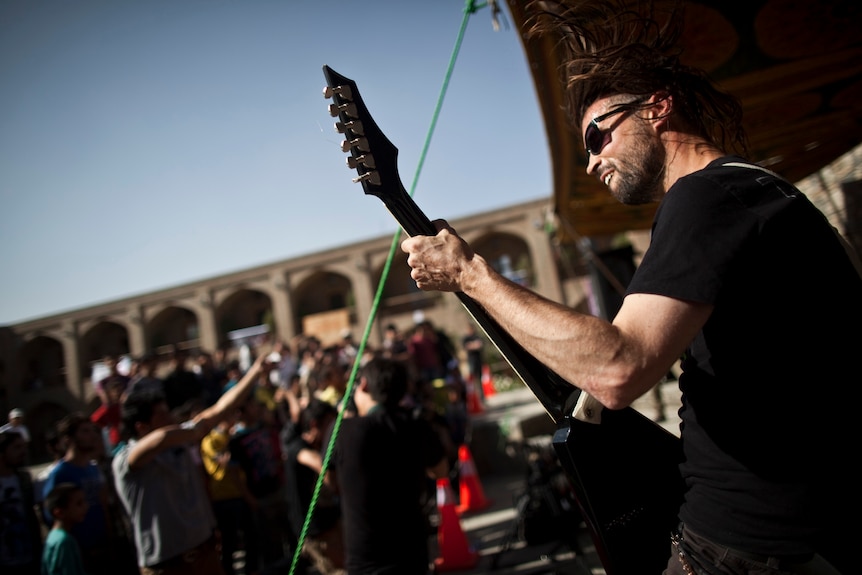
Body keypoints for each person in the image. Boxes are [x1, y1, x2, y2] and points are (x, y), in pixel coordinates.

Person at [399, 1, 861, 573]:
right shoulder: (765, 192)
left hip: (738, 546)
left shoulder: (702, 197)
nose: (592, 162)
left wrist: (470, 273)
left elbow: (620, 369)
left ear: (658, 107)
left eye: (598, 136)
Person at [111, 351, 267, 575]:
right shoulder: (126, 460)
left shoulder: (180, 440)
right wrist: (194, 430)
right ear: (141, 426)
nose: (171, 419)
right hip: (168, 567)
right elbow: (162, 438)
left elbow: (221, 409)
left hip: (204, 554)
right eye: (162, 415)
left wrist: (254, 373)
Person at [333, 357, 447, 575]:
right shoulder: (416, 425)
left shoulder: (343, 431)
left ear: (364, 384)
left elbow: (329, 480)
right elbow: (440, 471)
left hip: (366, 558)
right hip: (411, 551)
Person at [40, 413, 121, 575]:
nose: (92, 435)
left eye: (92, 431)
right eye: (84, 431)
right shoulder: (60, 473)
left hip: (102, 548)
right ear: (69, 439)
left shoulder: (93, 469)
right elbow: (51, 516)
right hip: (78, 552)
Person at [283, 398, 344, 575]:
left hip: (328, 523)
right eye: (330, 425)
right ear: (314, 425)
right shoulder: (299, 447)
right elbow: (316, 463)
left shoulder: (316, 445)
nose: (334, 431)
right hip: (317, 531)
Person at [200, 409, 259, 575]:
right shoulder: (211, 441)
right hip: (225, 497)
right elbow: (228, 464)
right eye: (232, 415)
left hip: (240, 494)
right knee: (229, 543)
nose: (236, 417)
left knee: (250, 537)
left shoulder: (232, 437)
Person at [0, 430, 43, 575]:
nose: (23, 452)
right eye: (17, 448)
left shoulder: (24, 479)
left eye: (24, 447)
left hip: (29, 557)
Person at [41, 483, 91, 575]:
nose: (86, 506)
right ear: (59, 513)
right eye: (79, 504)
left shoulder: (54, 536)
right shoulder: (65, 541)